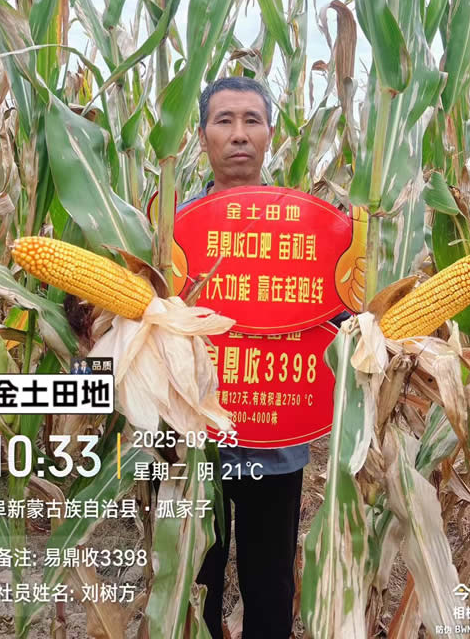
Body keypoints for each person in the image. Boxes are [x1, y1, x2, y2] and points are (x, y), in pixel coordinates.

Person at [178, 77, 309, 639]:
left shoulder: (303, 227)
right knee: (194, 580)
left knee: (270, 583)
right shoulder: (172, 229)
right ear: (201, 135)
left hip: (275, 438)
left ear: (270, 134)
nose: (238, 134)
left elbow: (338, 318)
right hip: (192, 440)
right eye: (224, 120)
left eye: (252, 120)